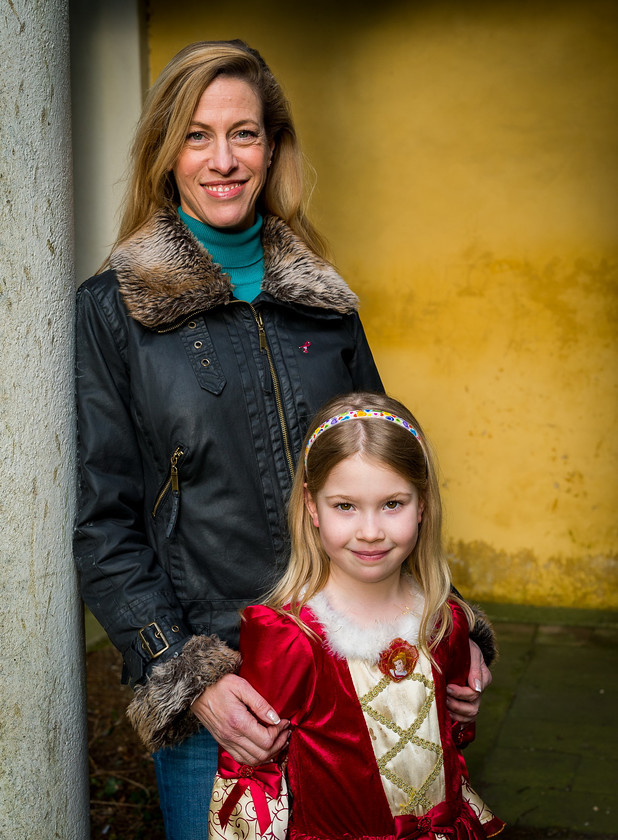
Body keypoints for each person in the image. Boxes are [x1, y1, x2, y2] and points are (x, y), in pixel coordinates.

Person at [74, 40, 495, 840]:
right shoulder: (113, 311)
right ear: (167, 154)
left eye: (244, 134)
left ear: (272, 149)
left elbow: (389, 477)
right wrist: (185, 676)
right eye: (197, 135)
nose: (223, 159)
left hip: (362, 676)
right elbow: (104, 524)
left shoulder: (325, 304)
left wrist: (451, 628)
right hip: (231, 696)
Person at [208, 392, 505, 840]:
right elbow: (252, 781)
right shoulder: (291, 638)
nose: (370, 532)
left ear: (422, 503)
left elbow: (450, 744)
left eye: (393, 504)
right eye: (345, 506)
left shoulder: (444, 622)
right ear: (312, 506)